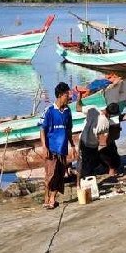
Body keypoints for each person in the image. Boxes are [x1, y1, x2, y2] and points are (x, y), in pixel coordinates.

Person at [39, 82, 76, 210]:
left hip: (63, 149)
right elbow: (42, 129)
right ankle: (46, 197)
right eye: (67, 94)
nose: (69, 97)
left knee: (60, 175)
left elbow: (69, 130)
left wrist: (73, 146)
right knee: (50, 175)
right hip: (51, 148)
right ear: (60, 95)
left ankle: (52, 199)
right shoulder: (49, 111)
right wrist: (44, 147)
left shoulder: (68, 111)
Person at [75, 99, 123, 178]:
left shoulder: (93, 108)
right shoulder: (105, 124)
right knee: (106, 153)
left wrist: (79, 98)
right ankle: (111, 168)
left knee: (86, 163)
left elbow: (78, 108)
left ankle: (81, 175)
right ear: (112, 114)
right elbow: (103, 141)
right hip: (90, 144)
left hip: (82, 139)